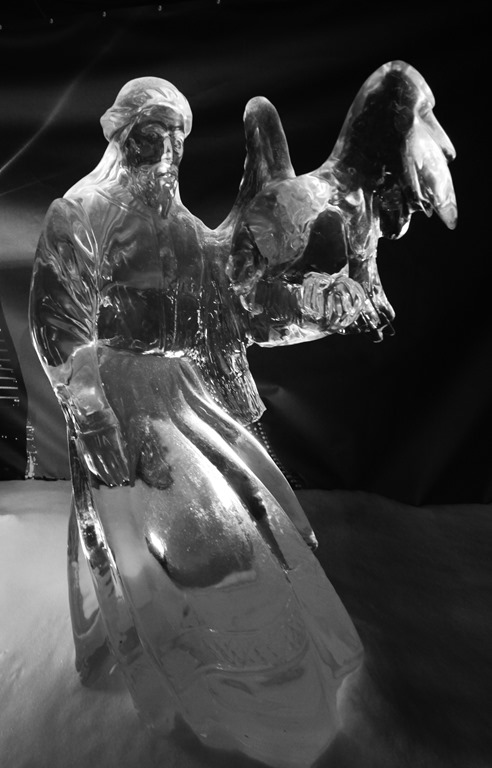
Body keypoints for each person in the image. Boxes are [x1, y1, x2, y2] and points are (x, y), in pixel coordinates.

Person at [30, 64, 455, 767]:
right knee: (188, 541)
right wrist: (91, 411)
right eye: (152, 135)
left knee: (253, 515)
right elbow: (56, 322)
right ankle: (224, 677)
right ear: (121, 134)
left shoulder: (188, 235)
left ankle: (266, 674)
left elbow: (245, 309)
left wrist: (324, 306)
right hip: (123, 404)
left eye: (177, 139)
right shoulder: (79, 214)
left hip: (184, 393)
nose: (165, 153)